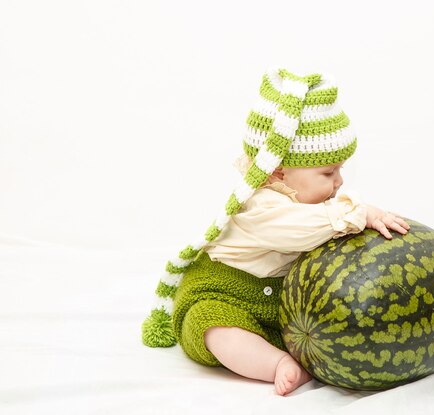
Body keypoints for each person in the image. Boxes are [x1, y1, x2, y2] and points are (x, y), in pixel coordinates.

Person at [141, 68, 410, 396]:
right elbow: (301, 232)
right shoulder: (261, 206)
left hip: (281, 302)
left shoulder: (310, 202)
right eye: (328, 172)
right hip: (225, 292)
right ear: (278, 171)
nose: (339, 182)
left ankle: (284, 350)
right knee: (214, 327)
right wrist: (358, 213)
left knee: (309, 328)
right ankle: (275, 364)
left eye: (340, 170)